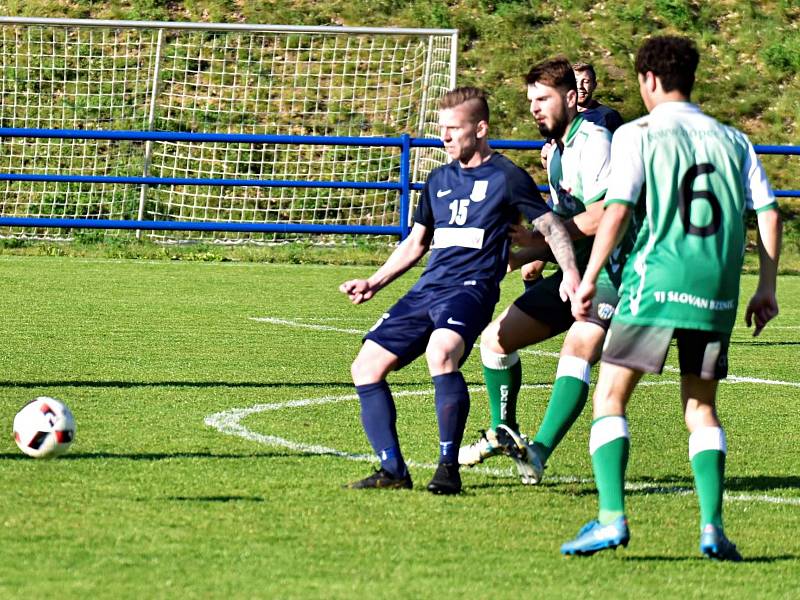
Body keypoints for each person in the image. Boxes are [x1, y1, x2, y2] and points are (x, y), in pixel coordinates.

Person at [561, 36, 781, 561]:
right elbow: (768, 213)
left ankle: (612, 517)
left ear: (649, 80)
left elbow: (616, 211)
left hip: (655, 283)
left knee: (611, 395)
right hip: (717, 290)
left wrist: (589, 275)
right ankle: (711, 527)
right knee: (701, 408)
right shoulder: (735, 140)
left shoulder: (637, 134)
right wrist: (766, 287)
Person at [340, 86, 580, 495]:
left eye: (454, 129)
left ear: (480, 128)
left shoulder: (507, 177)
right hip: (429, 287)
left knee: (442, 352)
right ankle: (393, 470)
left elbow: (552, 227)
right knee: (365, 367)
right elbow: (416, 242)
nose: (445, 137)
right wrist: (374, 282)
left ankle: (447, 469)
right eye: (441, 129)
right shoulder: (438, 179)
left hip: (472, 288)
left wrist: (571, 274)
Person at [459, 58, 630, 485]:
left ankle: (539, 451)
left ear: (571, 98)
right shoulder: (555, 152)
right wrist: (524, 254)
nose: (535, 108)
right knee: (496, 341)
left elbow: (605, 214)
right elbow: (564, 220)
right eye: (531, 100)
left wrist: (537, 242)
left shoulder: (595, 141)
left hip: (617, 270)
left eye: (544, 99)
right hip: (579, 269)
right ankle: (505, 431)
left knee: (577, 349)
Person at [573, 62, 624, 133]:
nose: (579, 86)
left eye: (586, 82)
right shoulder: (560, 116)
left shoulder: (609, 116)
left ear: (594, 85)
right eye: (575, 82)